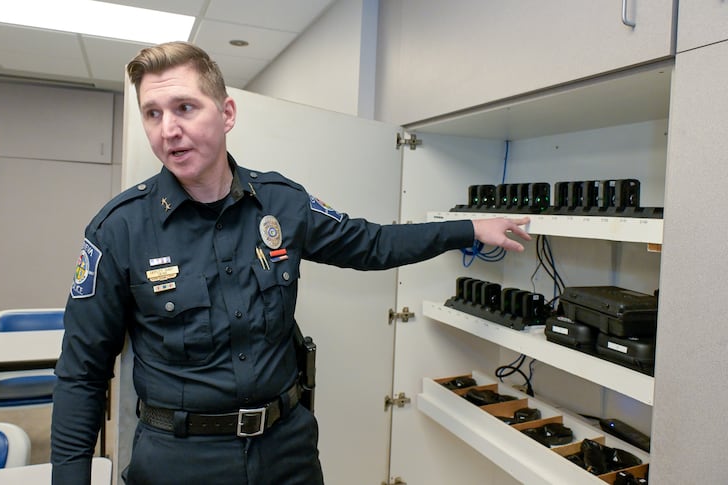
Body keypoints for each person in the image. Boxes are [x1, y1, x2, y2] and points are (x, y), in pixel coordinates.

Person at [50, 41, 531, 485]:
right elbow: (82, 372)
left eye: (184, 108)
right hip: (180, 460)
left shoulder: (281, 203)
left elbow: (373, 244)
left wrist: (467, 228)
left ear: (227, 113)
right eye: (152, 114)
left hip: (286, 453)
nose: (168, 129)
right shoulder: (119, 229)